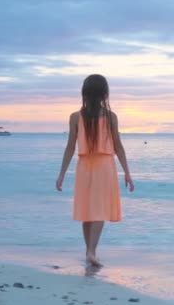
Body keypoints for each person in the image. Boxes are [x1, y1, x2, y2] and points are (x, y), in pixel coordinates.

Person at [56, 74, 134, 267]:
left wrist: (62, 174)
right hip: (105, 166)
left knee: (88, 211)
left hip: (84, 166)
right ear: (104, 94)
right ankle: (91, 251)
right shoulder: (110, 117)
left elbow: (70, 148)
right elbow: (118, 146)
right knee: (98, 211)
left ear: (84, 92)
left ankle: (89, 251)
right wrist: (127, 172)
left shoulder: (75, 117)